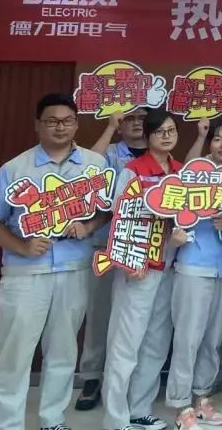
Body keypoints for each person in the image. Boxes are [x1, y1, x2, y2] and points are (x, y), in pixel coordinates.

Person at [0, 93, 110, 430]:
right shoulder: (16, 168)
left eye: (67, 120)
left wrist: (88, 227)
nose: (60, 127)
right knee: (14, 355)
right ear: (37, 125)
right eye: (52, 121)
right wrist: (21, 245)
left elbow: (106, 210)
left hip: (74, 269)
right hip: (25, 273)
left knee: (63, 352)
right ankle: (6, 424)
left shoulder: (95, 165)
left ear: (76, 124)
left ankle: (52, 420)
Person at [102, 109, 189, 430]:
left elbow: (189, 214)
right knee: (125, 344)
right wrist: (128, 262)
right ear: (148, 136)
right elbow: (119, 218)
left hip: (171, 265)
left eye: (171, 131)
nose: (166, 137)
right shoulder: (133, 171)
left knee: (156, 341)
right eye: (159, 132)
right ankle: (115, 418)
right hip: (138, 267)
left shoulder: (181, 173)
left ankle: (139, 409)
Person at [167, 117, 222, 429]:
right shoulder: (195, 173)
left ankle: (202, 399)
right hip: (194, 266)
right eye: (218, 138)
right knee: (188, 338)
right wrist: (199, 137)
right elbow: (181, 186)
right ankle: (181, 404)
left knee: (213, 339)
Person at [76, 107, 150, 412]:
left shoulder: (160, 155)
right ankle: (93, 377)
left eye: (142, 118)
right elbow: (86, 168)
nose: (137, 123)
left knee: (135, 320)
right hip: (105, 243)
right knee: (100, 314)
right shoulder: (111, 153)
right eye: (130, 118)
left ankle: (129, 382)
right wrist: (109, 127)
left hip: (145, 250)